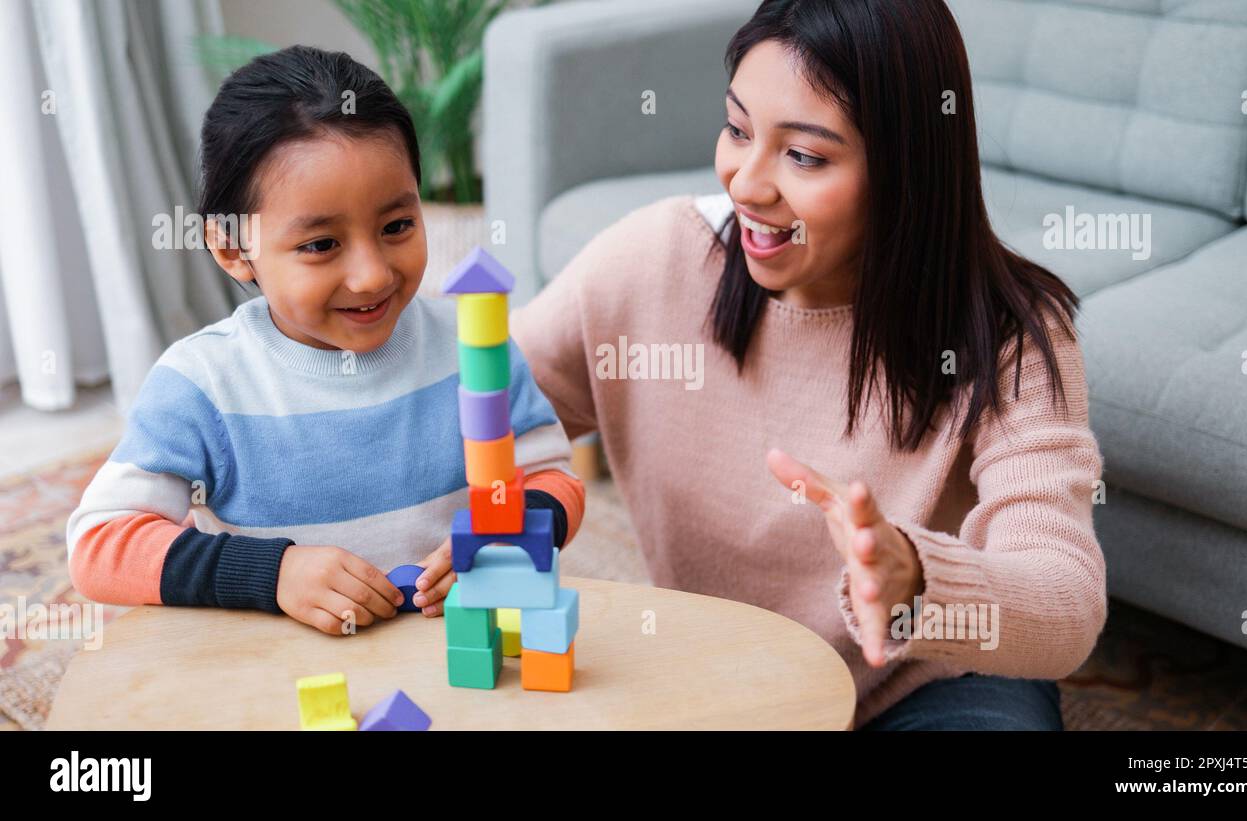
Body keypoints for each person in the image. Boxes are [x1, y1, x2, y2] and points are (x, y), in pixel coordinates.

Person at [511, 0, 1105, 729]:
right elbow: (474, 413)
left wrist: (914, 580)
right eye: (737, 128)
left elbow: (1068, 603)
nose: (746, 183)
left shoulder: (1011, 334)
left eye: (804, 156)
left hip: (927, 686)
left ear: (906, 165)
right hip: (724, 678)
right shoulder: (653, 261)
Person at [66, 46, 584, 635]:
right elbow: (99, 545)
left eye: (397, 227)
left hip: (454, 655)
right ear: (233, 249)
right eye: (320, 245)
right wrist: (274, 573)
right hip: (285, 679)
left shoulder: (476, 344)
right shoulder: (203, 383)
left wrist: (508, 541)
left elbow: (554, 481)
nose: (372, 276)